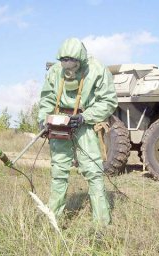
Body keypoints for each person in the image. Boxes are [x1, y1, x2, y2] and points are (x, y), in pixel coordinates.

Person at [38, 38, 118, 226]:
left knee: (93, 172)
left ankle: (101, 223)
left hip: (85, 124)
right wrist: (44, 120)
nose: (68, 67)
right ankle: (53, 219)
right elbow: (47, 98)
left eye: (71, 62)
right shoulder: (54, 72)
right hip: (59, 125)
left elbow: (108, 101)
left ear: (80, 60)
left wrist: (85, 117)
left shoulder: (98, 70)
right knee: (58, 171)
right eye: (63, 61)